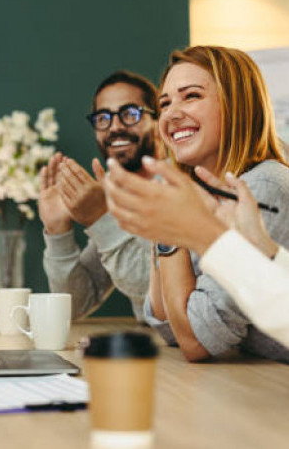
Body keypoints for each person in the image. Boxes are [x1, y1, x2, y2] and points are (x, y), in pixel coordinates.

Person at [131, 45, 289, 362]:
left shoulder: (262, 186)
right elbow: (165, 322)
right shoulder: (201, 192)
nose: (172, 114)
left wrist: (172, 228)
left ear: (236, 105)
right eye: (164, 103)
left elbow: (195, 340)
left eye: (191, 96)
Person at [104, 156, 289, 349]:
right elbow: (169, 327)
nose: (170, 123)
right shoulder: (215, 196)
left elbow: (194, 339)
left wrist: (205, 237)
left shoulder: (264, 183)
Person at [38, 70, 164, 320]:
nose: (115, 127)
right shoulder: (120, 196)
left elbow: (158, 293)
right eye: (103, 118)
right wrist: (57, 230)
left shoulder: (184, 187)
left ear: (159, 120)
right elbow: (75, 305)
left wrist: (100, 218)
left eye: (129, 114)